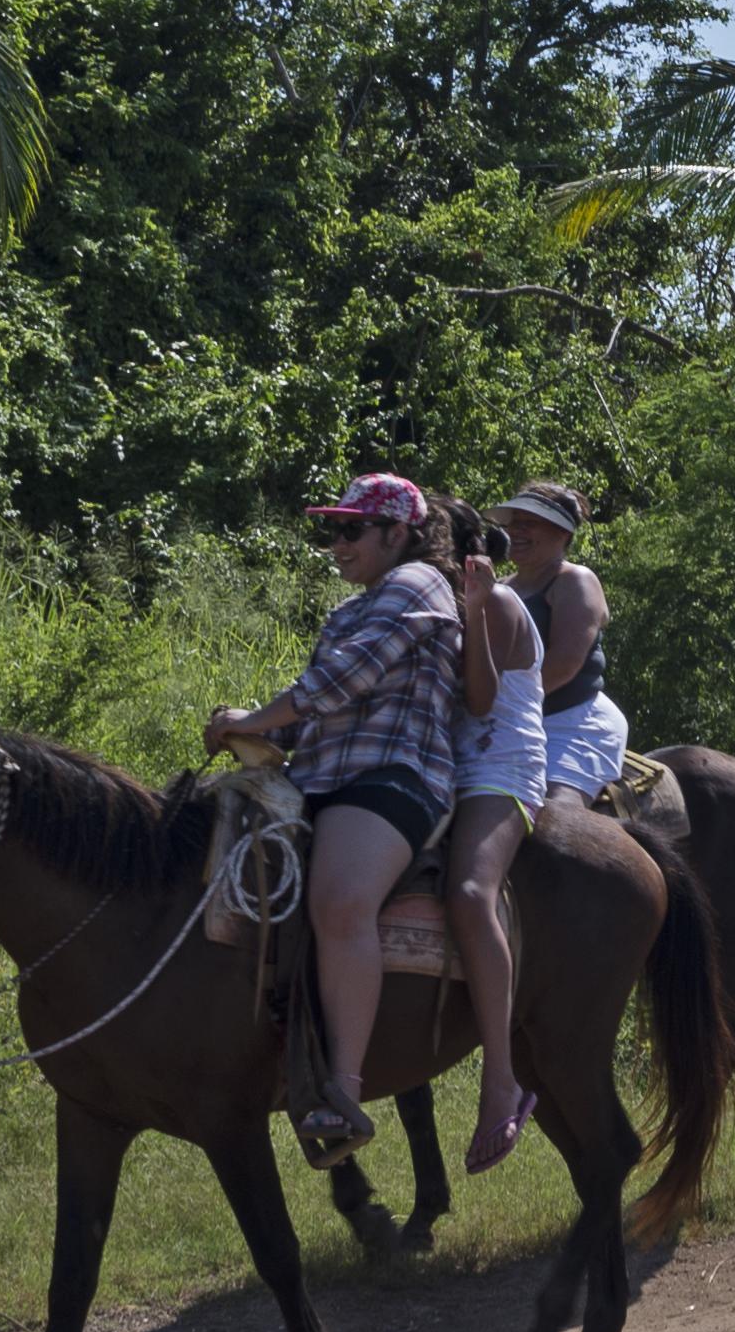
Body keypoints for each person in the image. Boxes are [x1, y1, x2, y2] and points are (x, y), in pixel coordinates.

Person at [206, 472, 466, 1167]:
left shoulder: (419, 586)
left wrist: (252, 717)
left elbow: (342, 684)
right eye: (333, 529)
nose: (336, 543)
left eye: (351, 529)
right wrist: (257, 737)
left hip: (393, 777)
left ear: (397, 532)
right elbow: (319, 714)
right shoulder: (351, 610)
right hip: (322, 779)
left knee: (340, 902)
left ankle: (342, 1090)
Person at [437, 508, 549, 1174]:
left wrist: (476, 606)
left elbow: (480, 702)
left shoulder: (499, 604)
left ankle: (500, 1077)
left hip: (498, 764)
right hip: (443, 762)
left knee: (472, 892)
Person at [496, 478, 623, 820]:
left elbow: (564, 663)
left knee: (553, 815)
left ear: (563, 534)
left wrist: (497, 701)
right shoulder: (498, 586)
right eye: (514, 522)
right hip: (511, 720)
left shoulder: (574, 579)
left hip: (572, 721)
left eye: (530, 523)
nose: (516, 531)